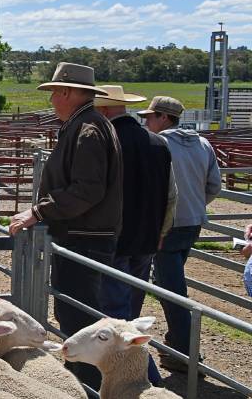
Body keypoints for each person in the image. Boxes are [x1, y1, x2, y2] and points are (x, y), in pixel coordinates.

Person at [9, 62, 122, 389]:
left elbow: (87, 188)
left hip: (84, 237)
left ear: (69, 93)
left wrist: (39, 212)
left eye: (56, 93)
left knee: (79, 319)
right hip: (86, 234)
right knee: (77, 314)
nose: (52, 100)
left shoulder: (87, 130)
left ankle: (85, 388)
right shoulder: (89, 125)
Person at [94, 85, 174, 386]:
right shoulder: (158, 143)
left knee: (119, 320)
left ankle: (145, 381)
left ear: (103, 111)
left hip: (113, 240)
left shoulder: (106, 142)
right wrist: (161, 232)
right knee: (131, 313)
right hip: (147, 240)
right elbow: (170, 196)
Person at [139, 95, 222, 372]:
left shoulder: (159, 144)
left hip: (166, 225)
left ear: (164, 118)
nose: (146, 122)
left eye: (150, 117)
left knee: (172, 289)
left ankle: (187, 353)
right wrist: (195, 206)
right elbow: (214, 186)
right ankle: (178, 342)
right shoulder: (203, 143)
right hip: (192, 223)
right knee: (169, 283)